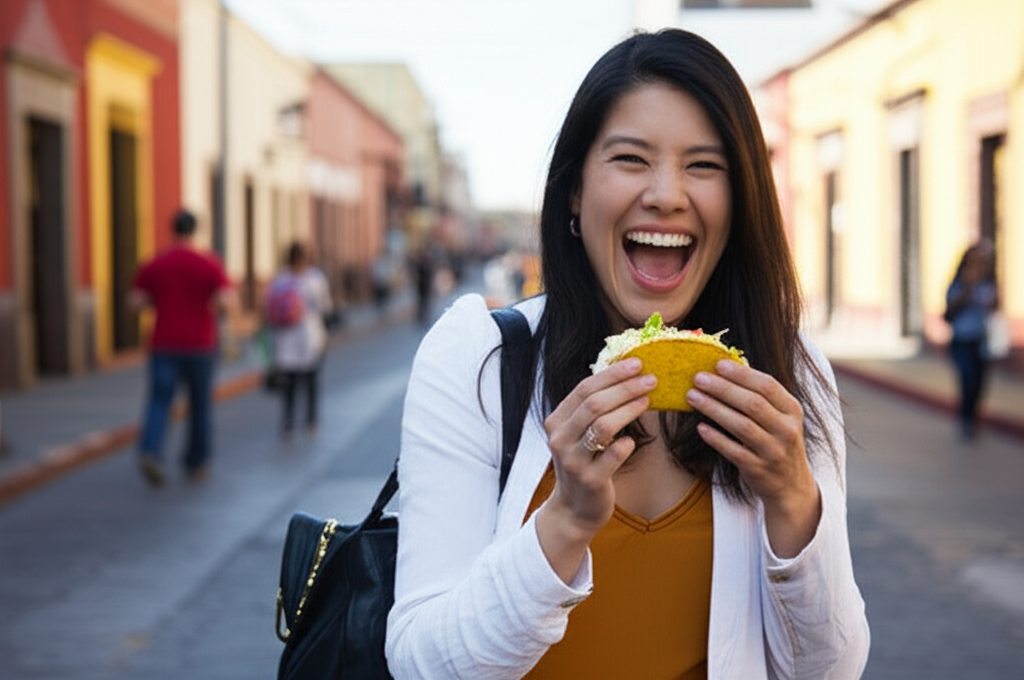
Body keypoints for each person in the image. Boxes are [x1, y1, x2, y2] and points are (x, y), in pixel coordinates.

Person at [385, 28, 870, 679]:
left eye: (705, 165)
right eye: (631, 159)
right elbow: (419, 664)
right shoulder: (478, 357)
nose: (668, 193)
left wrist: (792, 501)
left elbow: (829, 671)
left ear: (740, 202)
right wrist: (564, 522)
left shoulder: (787, 372)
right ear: (575, 193)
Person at [130, 209, 234, 487]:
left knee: (159, 400)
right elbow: (227, 301)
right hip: (200, 344)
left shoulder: (156, 263)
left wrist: (159, 301)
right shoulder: (208, 263)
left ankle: (150, 450)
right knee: (199, 405)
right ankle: (196, 461)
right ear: (195, 231)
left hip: (163, 343)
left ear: (172, 229)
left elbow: (135, 301)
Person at [267, 241, 332, 438]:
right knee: (311, 381)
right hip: (310, 338)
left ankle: (288, 422)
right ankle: (311, 419)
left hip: (285, 341)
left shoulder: (280, 280)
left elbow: (269, 309)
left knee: (290, 384)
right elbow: (325, 307)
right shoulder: (315, 279)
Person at [944, 240, 999, 440]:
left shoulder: (988, 284)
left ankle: (972, 417)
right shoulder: (957, 284)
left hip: (981, 340)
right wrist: (967, 289)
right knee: (967, 378)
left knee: (980, 382)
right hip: (961, 341)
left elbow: (994, 307)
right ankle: (966, 419)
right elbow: (949, 311)